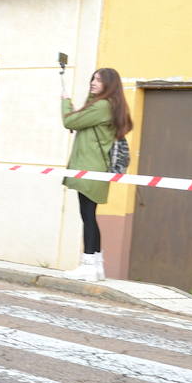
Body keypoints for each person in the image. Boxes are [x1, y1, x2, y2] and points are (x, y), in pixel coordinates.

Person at [60, 67, 132, 281]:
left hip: (90, 169)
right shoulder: (107, 105)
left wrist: (65, 101)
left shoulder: (102, 106)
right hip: (94, 168)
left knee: (88, 216)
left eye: (99, 80)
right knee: (89, 215)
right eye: (93, 78)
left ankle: (88, 264)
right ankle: (96, 266)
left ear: (109, 85)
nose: (93, 82)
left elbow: (69, 121)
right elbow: (80, 120)